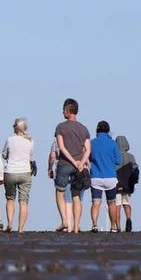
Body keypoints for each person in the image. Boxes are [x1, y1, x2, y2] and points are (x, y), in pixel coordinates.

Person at [53, 99, 91, 234]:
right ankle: (76, 226)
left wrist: (73, 162)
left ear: (68, 111)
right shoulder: (84, 128)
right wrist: (80, 162)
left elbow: (61, 147)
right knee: (77, 196)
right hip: (79, 166)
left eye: (63, 110)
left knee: (60, 191)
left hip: (65, 164)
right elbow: (88, 149)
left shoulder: (60, 127)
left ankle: (65, 221)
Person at [2, 118, 35, 233]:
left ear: (16, 128)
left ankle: (10, 223)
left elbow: (4, 154)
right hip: (25, 172)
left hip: (10, 171)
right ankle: (21, 228)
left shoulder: (10, 140)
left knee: (10, 199)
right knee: (23, 202)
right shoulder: (30, 141)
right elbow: (30, 156)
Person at [89, 121, 122, 233]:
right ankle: (113, 226)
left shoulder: (92, 143)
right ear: (108, 130)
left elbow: (87, 158)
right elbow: (118, 160)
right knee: (111, 202)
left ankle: (94, 225)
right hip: (110, 177)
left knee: (96, 202)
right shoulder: (112, 143)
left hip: (96, 176)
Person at [115, 135, 140, 232]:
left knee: (117, 206)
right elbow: (135, 168)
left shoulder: (114, 156)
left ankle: (118, 227)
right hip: (128, 184)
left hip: (116, 184)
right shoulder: (131, 157)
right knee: (127, 204)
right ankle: (128, 219)